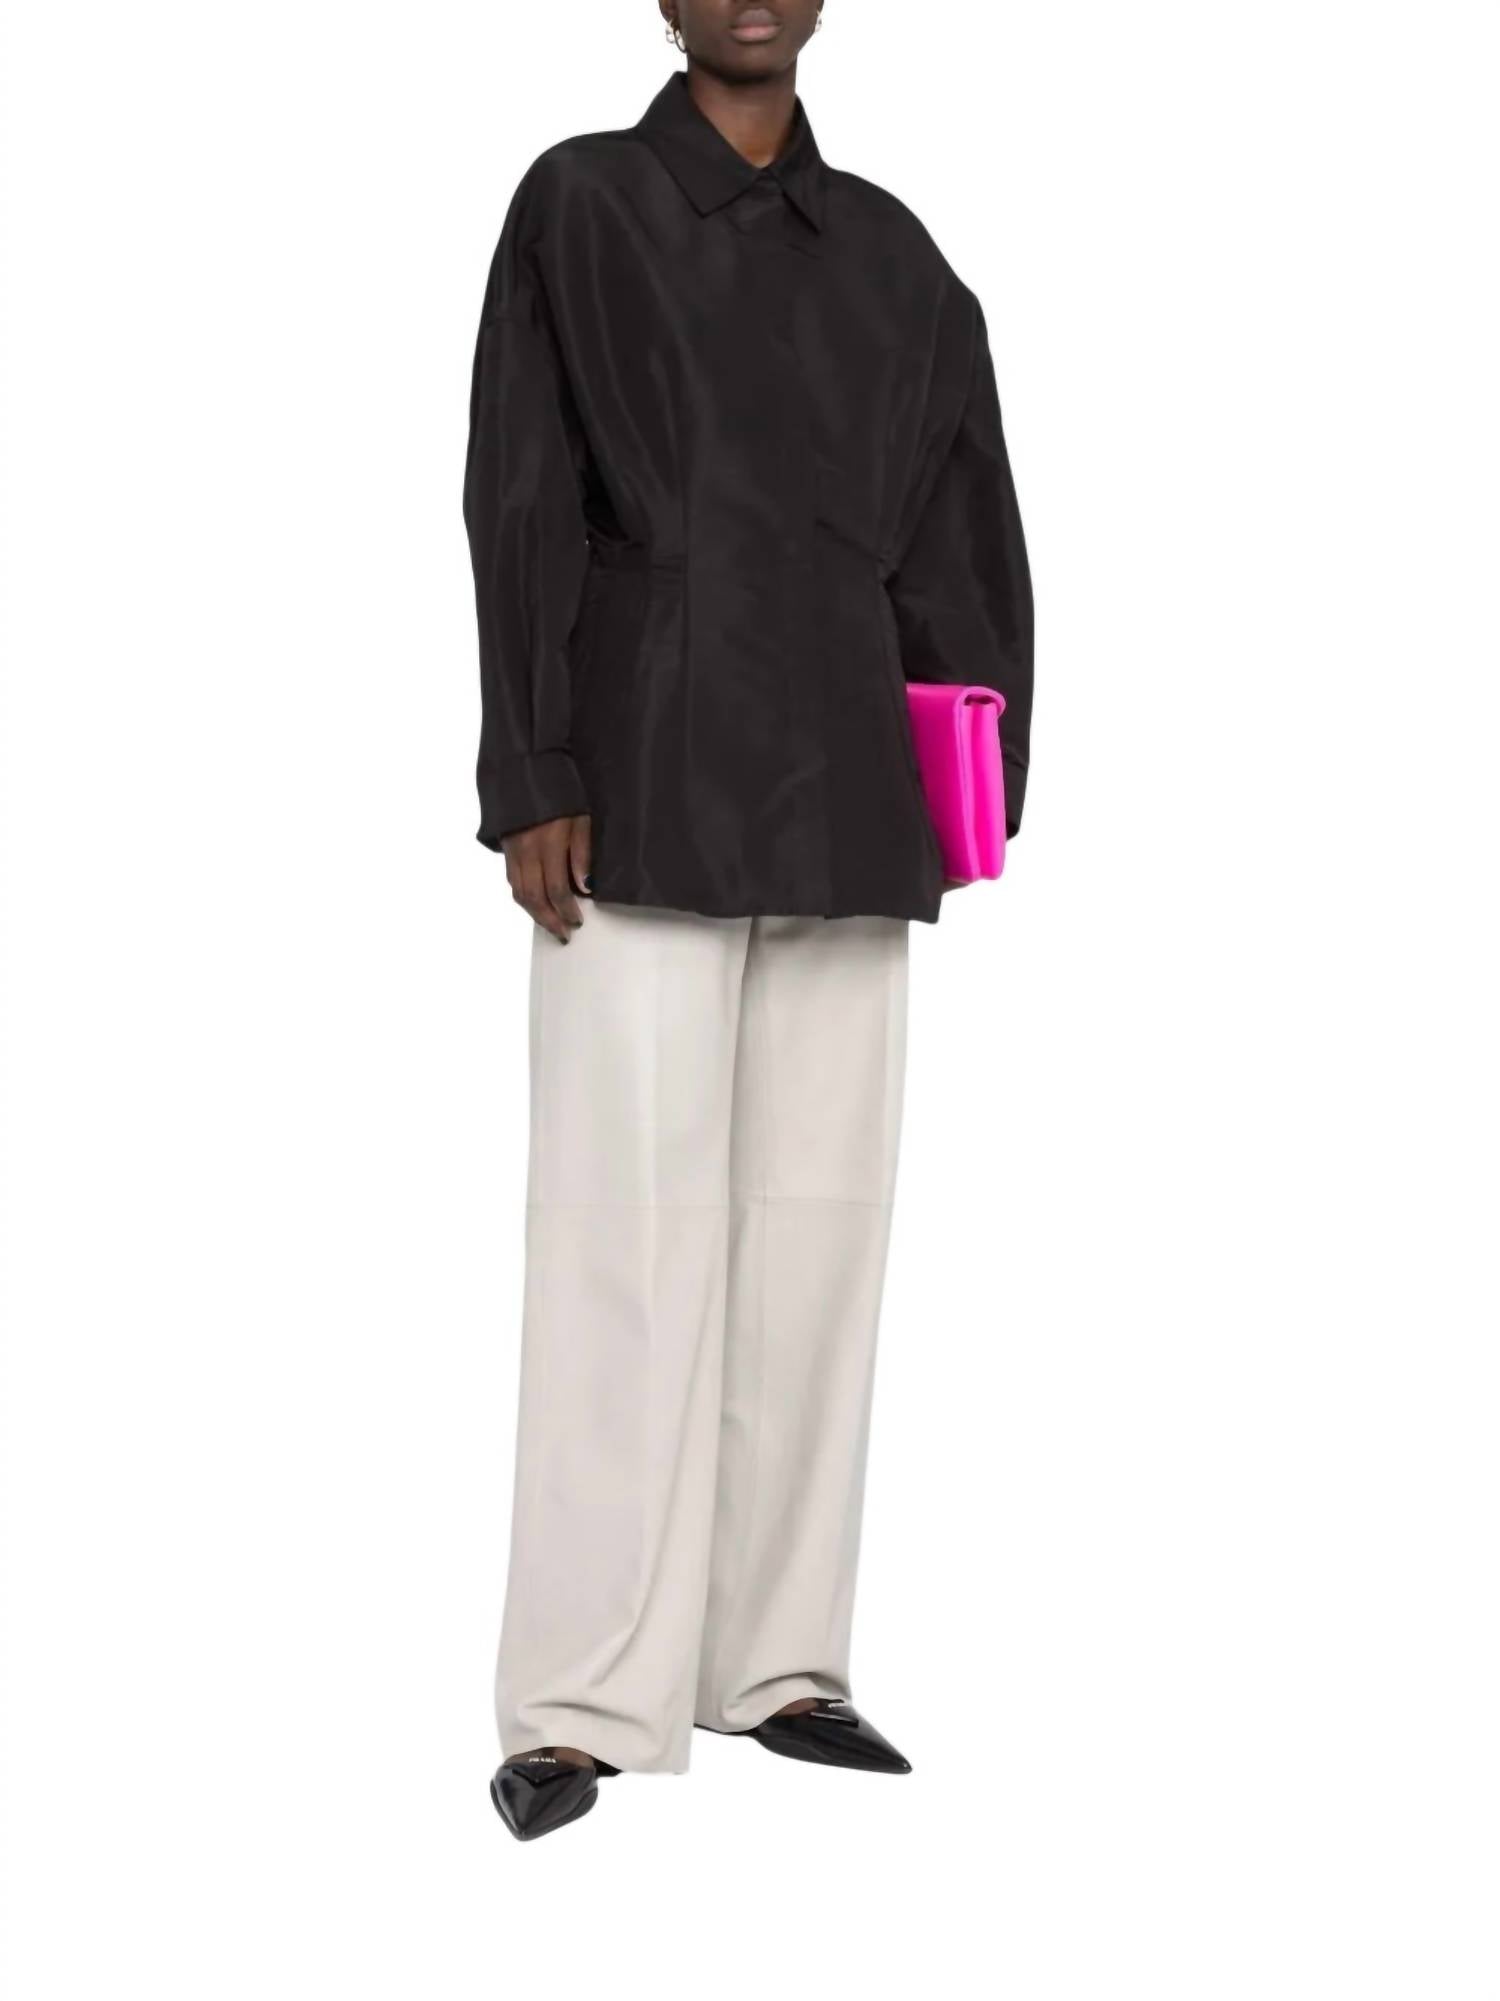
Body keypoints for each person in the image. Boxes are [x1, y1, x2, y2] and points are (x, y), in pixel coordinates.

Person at [463, 0, 1033, 1842]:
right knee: (622, 1239)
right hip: (639, 777)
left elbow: (964, 530)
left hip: (854, 790)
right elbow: (520, 492)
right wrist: (532, 763)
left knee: (817, 1234)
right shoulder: (582, 204)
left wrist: (980, 781)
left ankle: (780, 1658)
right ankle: (580, 1695)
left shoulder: (894, 253)